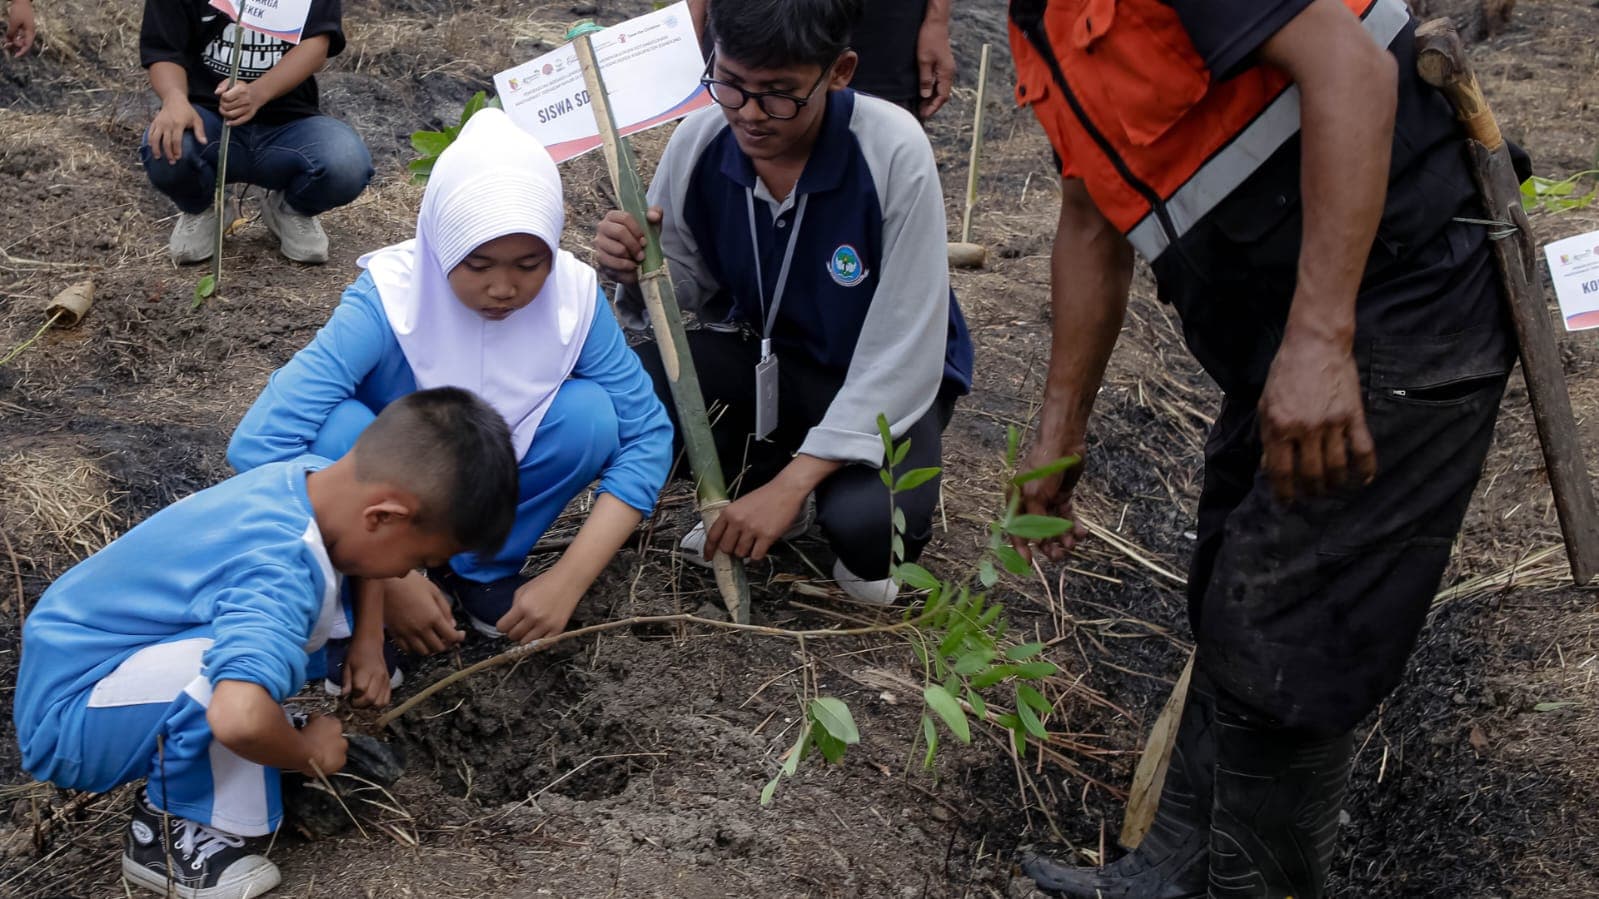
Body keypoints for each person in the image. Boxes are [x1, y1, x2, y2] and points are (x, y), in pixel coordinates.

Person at [1006, 0, 1521, 895]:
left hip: (1403, 295)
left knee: (1289, 620)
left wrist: (1320, 343)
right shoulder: (1037, 20)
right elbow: (1089, 218)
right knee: (1232, 580)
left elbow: (1353, 76)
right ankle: (1174, 868)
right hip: (1282, 329)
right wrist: (1059, 431)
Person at [13, 388, 519, 899]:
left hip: (106, 668)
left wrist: (368, 641)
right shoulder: (279, 571)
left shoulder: (316, 480)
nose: (408, 574)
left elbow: (359, 561)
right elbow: (238, 716)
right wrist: (306, 754)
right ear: (384, 516)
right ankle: (168, 841)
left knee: (250, 670)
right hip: (73, 716)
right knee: (233, 687)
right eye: (415, 560)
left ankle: (236, 762)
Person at [230, 108, 672, 655]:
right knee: (340, 426)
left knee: (590, 416)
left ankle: (483, 568)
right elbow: (261, 441)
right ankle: (361, 595)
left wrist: (567, 579)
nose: (505, 288)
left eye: (530, 264)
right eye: (478, 264)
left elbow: (647, 435)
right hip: (378, 528)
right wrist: (392, 582)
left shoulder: (571, 301)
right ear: (439, 244)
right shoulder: (389, 299)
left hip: (482, 504)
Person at [595, 0, 972, 604]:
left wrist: (793, 485)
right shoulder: (700, 141)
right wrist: (636, 268)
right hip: (767, 362)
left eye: (779, 94)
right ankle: (763, 479)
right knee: (629, 391)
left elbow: (907, 346)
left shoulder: (892, 150)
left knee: (869, 535)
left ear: (840, 70)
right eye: (731, 84)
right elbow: (685, 288)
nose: (749, 114)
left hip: (882, 382)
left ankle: (804, 488)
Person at [138, 0, 373, 266]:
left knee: (346, 163)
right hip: (209, 121)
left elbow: (317, 44)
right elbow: (164, 51)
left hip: (289, 124)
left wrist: (258, 93)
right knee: (165, 144)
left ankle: (290, 209)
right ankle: (205, 207)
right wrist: (174, 99)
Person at [686, 0, 954, 120]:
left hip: (880, 25)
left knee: (876, 143)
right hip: (752, 16)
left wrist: (936, 18)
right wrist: (694, 8)